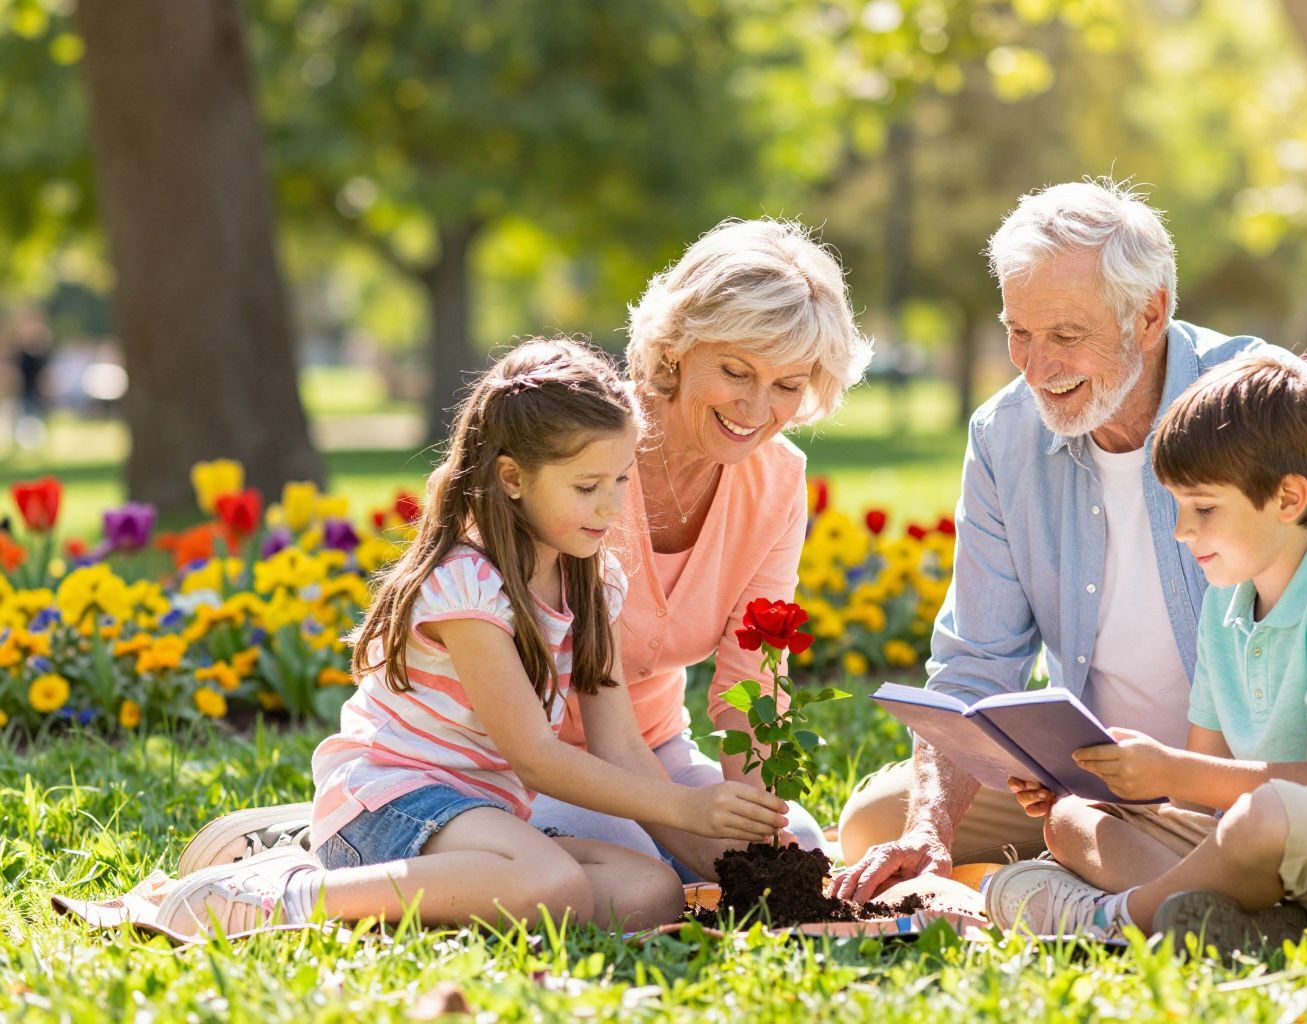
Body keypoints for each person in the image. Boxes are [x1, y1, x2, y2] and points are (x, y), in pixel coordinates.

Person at [178, 218, 874, 882]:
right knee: (636, 856)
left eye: (788, 385)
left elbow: (750, 681)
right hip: (491, 763)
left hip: (642, 749)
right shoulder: (576, 450)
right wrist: (683, 823)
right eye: (735, 371)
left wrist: (755, 831)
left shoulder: (777, 480)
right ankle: (340, 832)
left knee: (794, 851)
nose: (757, 408)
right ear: (676, 350)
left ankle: (382, 838)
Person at [833, 180, 1307, 903]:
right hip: (1103, 776)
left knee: (1249, 836)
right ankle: (1192, 887)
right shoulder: (1005, 437)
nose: (1035, 369)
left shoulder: (1274, 414)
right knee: (873, 825)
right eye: (1018, 333)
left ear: (1149, 314)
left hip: (1258, 777)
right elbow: (973, 666)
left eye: (1065, 336)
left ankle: (1193, 887)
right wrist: (930, 833)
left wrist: (1191, 782)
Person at [151, 339, 792, 937]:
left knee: (647, 889)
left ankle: (375, 881)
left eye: (622, 481)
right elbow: (536, 756)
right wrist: (687, 809)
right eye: (588, 487)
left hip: (480, 819)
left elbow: (620, 744)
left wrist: (733, 850)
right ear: (513, 478)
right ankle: (277, 896)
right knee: (553, 886)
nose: (610, 507)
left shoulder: (595, 584)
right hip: (394, 799)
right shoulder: (465, 586)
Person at [981, 353, 1307, 951]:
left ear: (1289, 498)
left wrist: (1170, 769)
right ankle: (1255, 922)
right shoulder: (1226, 606)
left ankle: (1112, 921)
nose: (1181, 532)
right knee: (1069, 821)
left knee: (1264, 818)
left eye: (1205, 509)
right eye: (1178, 507)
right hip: (1270, 852)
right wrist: (1103, 773)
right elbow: (1194, 795)